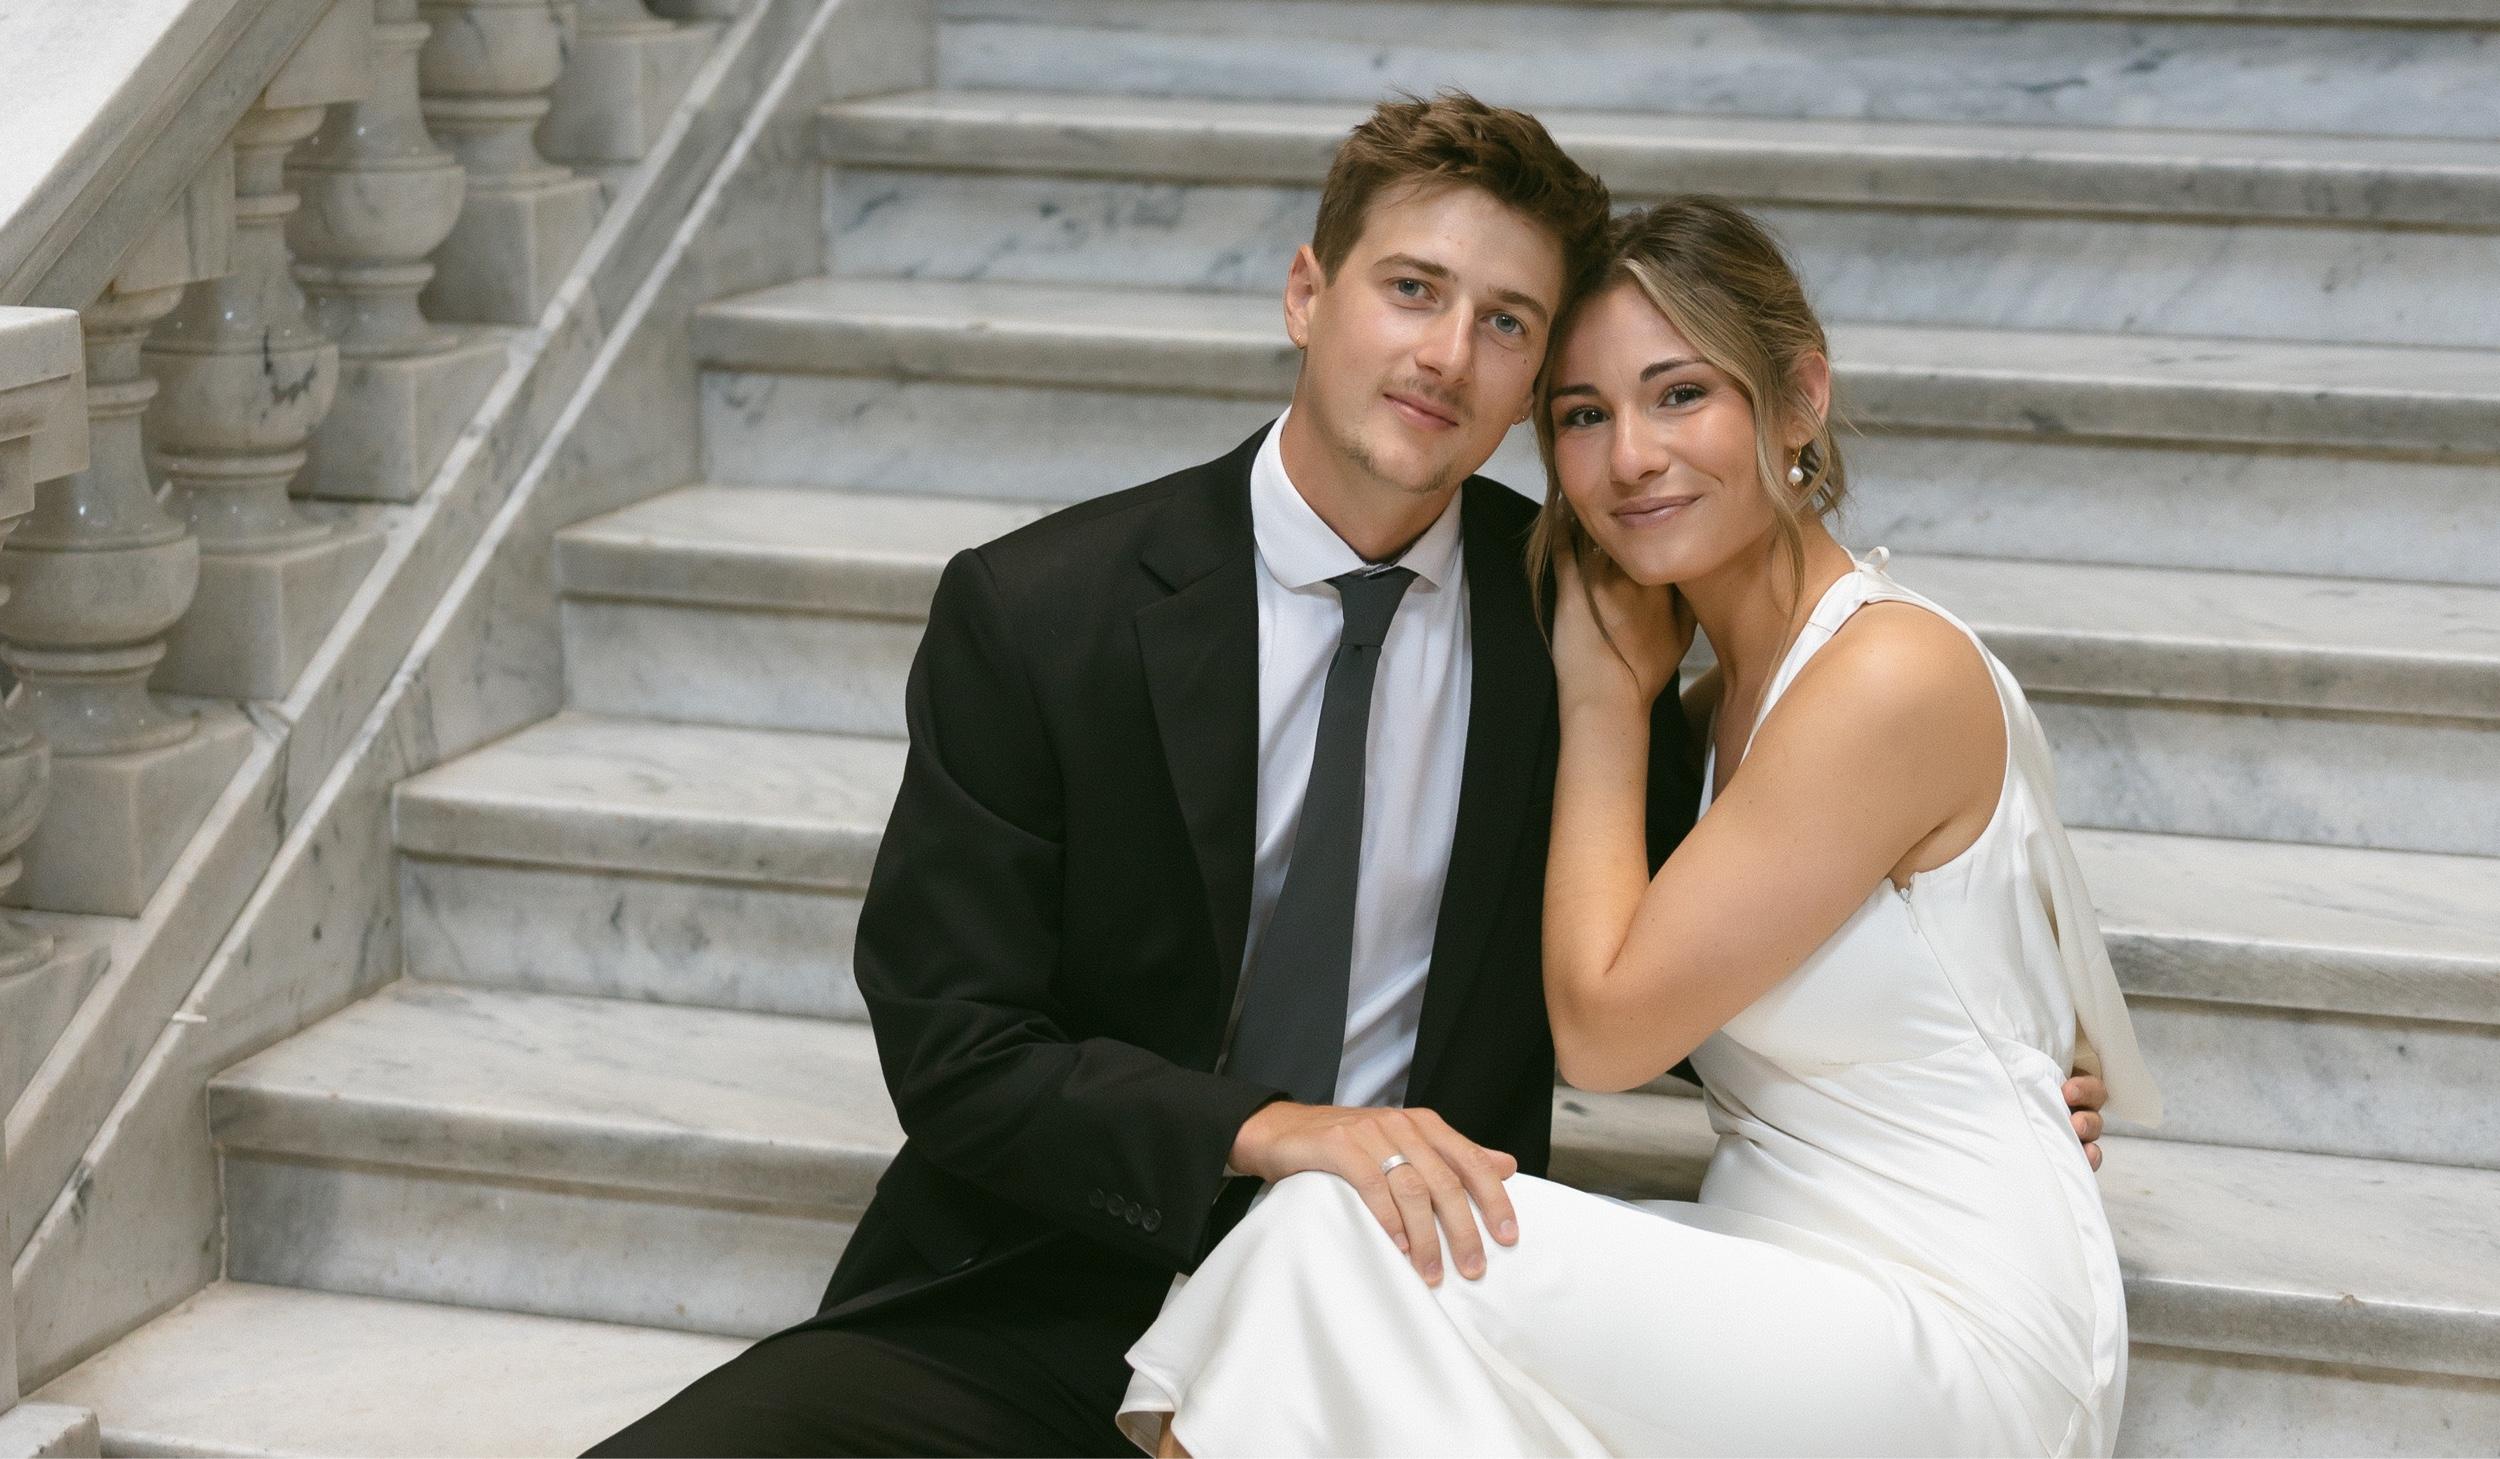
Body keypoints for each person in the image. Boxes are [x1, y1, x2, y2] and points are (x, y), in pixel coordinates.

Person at [589, 97, 2110, 1458]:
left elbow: (1679, 952)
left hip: (1400, 1290)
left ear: (1528, 384)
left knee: (1326, 1248)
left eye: (1507, 324)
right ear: (1308, 294)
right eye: (1412, 290)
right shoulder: (1045, 612)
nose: (1448, 355)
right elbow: (957, 1047)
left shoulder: (1583, 633)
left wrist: (1988, 1068)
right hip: (1050, 1277)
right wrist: (1271, 1128)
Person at [1116, 198, 2161, 1458]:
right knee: (1359, 1291)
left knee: (1340, 1225)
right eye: (1581, 415)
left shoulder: (1886, 675)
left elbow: (1606, 1033)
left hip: (1957, 1320)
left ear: (1799, 399)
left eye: (1680, 395)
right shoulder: (1721, 713)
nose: (1630, 459)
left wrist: (1604, 700)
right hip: (1773, 1274)